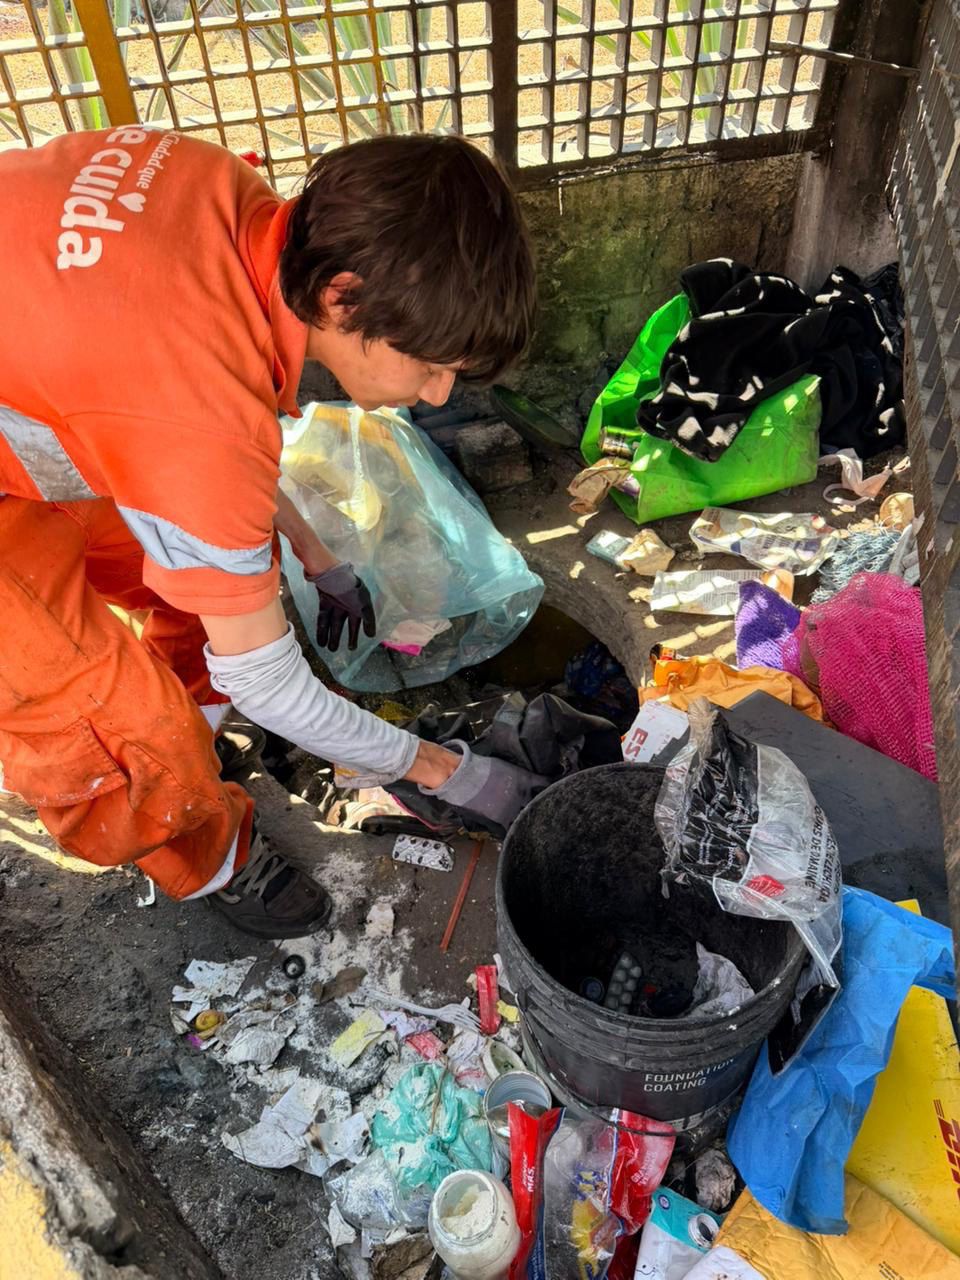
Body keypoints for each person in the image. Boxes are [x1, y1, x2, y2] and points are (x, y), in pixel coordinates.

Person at [0, 126, 542, 938]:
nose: (435, 395)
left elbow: (216, 445)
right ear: (343, 297)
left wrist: (316, 555)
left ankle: (200, 732)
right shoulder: (188, 409)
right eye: (433, 365)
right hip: (69, 419)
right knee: (104, 723)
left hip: (59, 397)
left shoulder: (224, 200)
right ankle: (205, 853)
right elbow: (266, 678)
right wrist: (448, 773)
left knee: (196, 588)